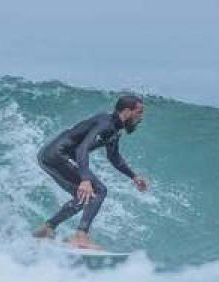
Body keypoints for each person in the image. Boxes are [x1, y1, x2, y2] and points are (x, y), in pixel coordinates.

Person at [33, 94, 149, 249]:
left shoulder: (114, 129)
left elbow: (114, 157)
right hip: (57, 155)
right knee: (98, 191)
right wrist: (85, 179)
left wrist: (133, 176)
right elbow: (83, 148)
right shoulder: (106, 124)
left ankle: (47, 229)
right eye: (139, 112)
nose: (141, 117)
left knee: (85, 196)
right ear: (127, 111)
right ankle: (80, 236)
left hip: (53, 156)